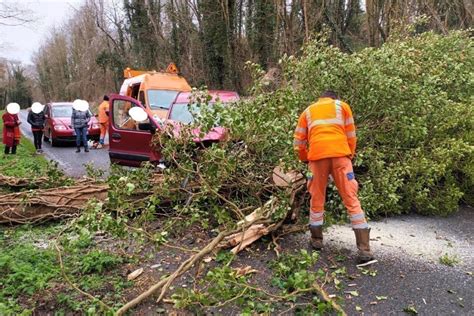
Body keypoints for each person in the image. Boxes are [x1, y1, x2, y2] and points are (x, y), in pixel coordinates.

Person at [293, 90, 374, 263]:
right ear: (334, 98)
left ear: (320, 98)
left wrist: (305, 158)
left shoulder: (307, 111)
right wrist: (349, 156)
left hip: (316, 158)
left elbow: (298, 142)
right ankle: (364, 249)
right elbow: (351, 135)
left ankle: (316, 240)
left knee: (317, 197)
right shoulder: (342, 106)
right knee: (351, 198)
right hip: (340, 157)